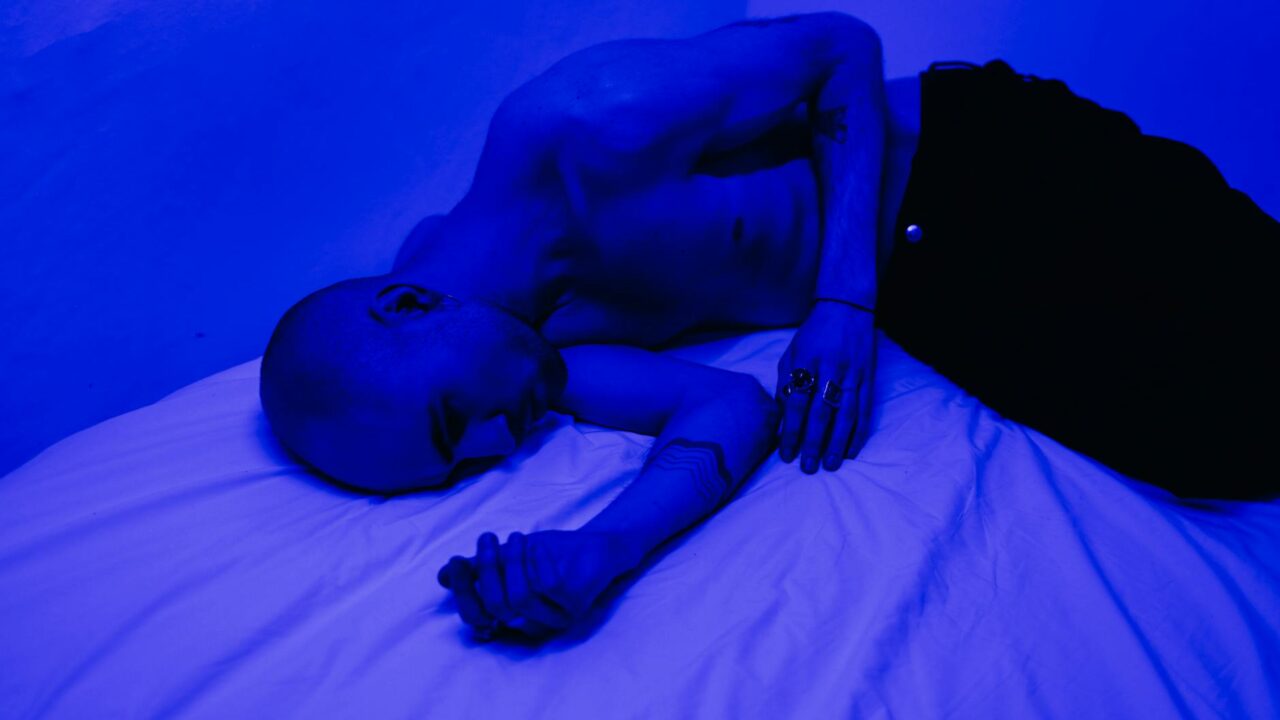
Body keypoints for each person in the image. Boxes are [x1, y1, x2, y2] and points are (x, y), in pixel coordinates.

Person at [259, 12, 1279, 639]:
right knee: (1214, 447)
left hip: (984, 158)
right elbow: (723, 407)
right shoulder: (520, 349)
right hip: (924, 281)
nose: (494, 445)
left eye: (454, 422)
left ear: (406, 304)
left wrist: (841, 304)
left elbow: (839, 47)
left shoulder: (578, 127)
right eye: (459, 466)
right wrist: (599, 551)